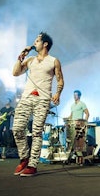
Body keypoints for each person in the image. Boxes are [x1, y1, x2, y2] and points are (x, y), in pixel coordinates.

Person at [12, 31, 64, 177]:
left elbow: (60, 80)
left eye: (37, 41)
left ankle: (32, 165)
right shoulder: (30, 60)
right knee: (17, 129)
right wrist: (21, 57)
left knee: (36, 132)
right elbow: (15, 73)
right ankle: (24, 158)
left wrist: (57, 93)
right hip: (26, 98)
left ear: (45, 44)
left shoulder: (54, 61)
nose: (34, 43)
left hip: (43, 99)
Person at [66, 90, 90, 164]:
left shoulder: (82, 104)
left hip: (79, 125)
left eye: (76, 95)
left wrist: (84, 123)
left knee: (78, 142)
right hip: (72, 125)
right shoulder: (72, 105)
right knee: (71, 141)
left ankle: (80, 158)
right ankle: (69, 157)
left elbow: (87, 113)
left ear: (79, 96)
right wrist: (67, 120)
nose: (74, 96)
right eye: (74, 95)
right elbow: (71, 115)